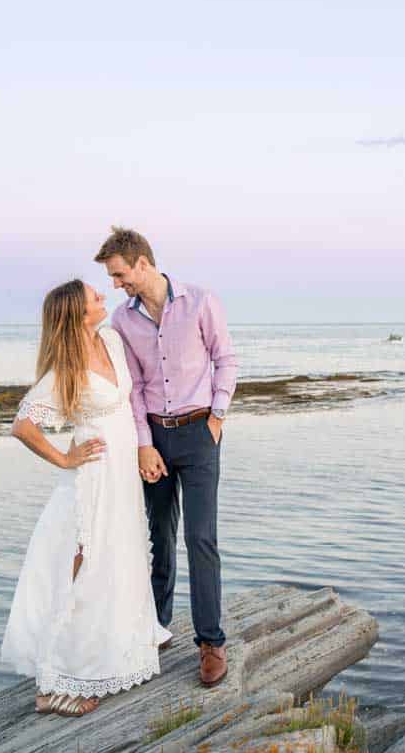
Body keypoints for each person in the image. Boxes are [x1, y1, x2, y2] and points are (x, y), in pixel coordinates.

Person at [0, 279, 171, 717]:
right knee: (84, 562)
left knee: (118, 557)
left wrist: (140, 450)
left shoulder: (111, 339)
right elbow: (23, 424)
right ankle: (53, 681)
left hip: (122, 476)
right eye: (94, 296)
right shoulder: (66, 371)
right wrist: (62, 458)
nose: (102, 297)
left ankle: (114, 650)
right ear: (77, 312)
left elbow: (126, 405)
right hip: (92, 475)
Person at [96, 227, 239, 688]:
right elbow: (133, 387)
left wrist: (216, 418)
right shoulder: (122, 322)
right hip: (154, 438)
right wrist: (143, 443)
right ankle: (156, 629)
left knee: (201, 539)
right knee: (159, 536)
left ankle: (211, 643)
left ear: (141, 262)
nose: (117, 285)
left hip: (200, 435)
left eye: (119, 275)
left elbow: (226, 359)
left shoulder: (200, 301)